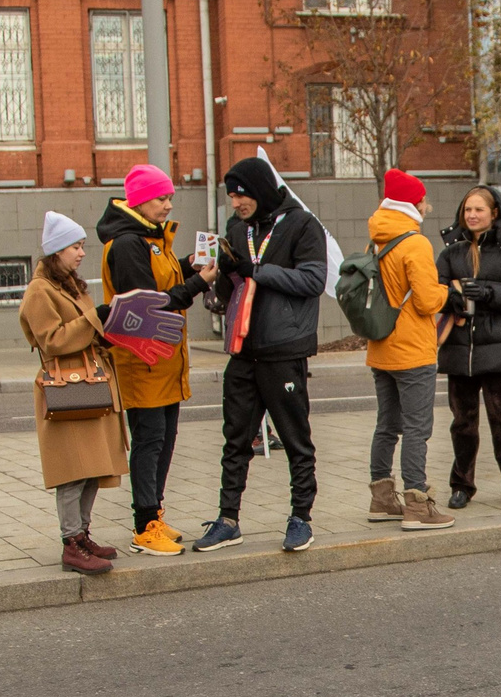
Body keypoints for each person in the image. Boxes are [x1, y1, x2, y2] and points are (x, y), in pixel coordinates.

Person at [187, 156, 329, 554]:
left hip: (283, 349)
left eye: (242, 195)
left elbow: (313, 280)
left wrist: (257, 270)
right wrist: (217, 290)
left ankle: (301, 517)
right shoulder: (237, 229)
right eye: (231, 196)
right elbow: (238, 282)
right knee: (235, 438)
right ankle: (228, 519)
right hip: (243, 349)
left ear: (262, 191)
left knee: (295, 437)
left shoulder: (302, 225)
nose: (236, 203)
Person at [98, 162, 213, 555]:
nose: (168, 205)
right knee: (149, 442)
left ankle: (154, 516)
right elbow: (149, 306)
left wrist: (186, 267)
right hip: (142, 358)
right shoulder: (129, 244)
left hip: (163, 359)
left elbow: (161, 281)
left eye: (170, 198)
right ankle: (144, 527)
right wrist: (198, 283)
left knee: (164, 439)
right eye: (162, 198)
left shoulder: (150, 239)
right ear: (142, 200)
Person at [19, 212, 129, 575]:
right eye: (75, 247)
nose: (82, 253)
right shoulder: (40, 290)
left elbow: (86, 330)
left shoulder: (70, 285)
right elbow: (51, 340)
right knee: (72, 469)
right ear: (56, 251)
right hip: (67, 386)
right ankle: (71, 544)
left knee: (92, 466)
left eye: (82, 245)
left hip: (88, 382)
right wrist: (94, 318)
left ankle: (82, 534)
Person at [358, 168, 455, 530]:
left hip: (381, 346)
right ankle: (417, 504)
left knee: (387, 425)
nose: (427, 205)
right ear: (414, 203)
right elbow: (429, 300)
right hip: (413, 349)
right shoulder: (415, 243)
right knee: (417, 427)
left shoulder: (377, 239)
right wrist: (449, 292)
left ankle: (381, 500)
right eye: (424, 199)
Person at [438, 185, 501, 511]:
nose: (472, 215)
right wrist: (450, 296)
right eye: (467, 209)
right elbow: (435, 292)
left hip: (498, 350)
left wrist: (489, 293)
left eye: (479, 209)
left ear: (494, 213)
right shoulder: (450, 254)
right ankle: (462, 486)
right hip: (458, 350)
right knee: (462, 424)